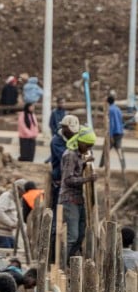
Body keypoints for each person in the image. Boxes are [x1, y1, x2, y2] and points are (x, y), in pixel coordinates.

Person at [60, 124, 99, 261]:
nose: (88, 149)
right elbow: (68, 179)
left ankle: (70, 263)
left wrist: (84, 163)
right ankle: (64, 264)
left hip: (78, 199)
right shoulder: (70, 155)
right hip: (69, 199)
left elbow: (76, 169)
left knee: (81, 234)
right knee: (73, 236)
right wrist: (87, 179)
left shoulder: (78, 155)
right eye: (87, 146)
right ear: (80, 142)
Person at [47, 114, 78, 215]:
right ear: (64, 128)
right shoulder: (57, 141)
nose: (73, 134)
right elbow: (67, 159)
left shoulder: (74, 138)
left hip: (72, 181)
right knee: (59, 210)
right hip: (60, 180)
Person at [0, 179, 27, 249]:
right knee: (5, 253)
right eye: (23, 191)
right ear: (18, 189)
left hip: (7, 233)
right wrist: (11, 224)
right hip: (0, 233)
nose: (24, 194)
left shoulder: (17, 199)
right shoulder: (6, 196)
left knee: (13, 251)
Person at [105, 95, 125, 168]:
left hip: (113, 133)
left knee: (106, 149)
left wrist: (110, 135)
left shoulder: (110, 110)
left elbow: (112, 123)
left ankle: (103, 165)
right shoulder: (118, 109)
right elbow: (121, 120)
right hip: (120, 132)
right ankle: (123, 164)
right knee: (119, 149)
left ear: (108, 102)